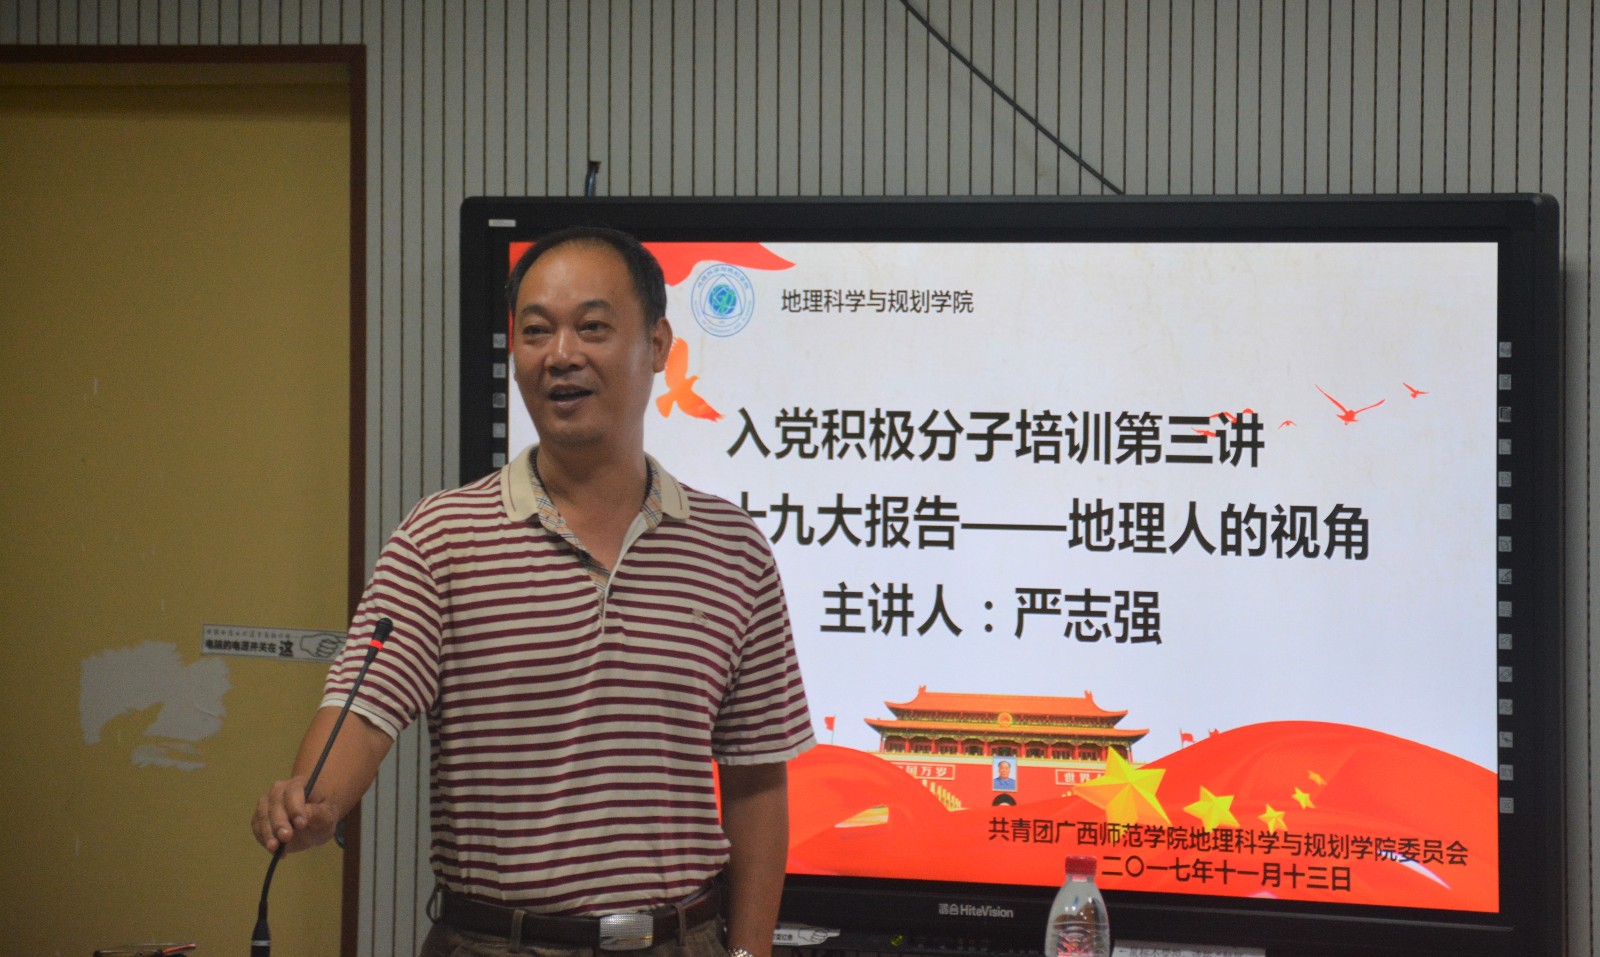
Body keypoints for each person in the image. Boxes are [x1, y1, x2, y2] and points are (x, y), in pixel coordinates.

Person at [252, 226, 815, 957]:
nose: (561, 355)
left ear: (658, 345)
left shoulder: (731, 549)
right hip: (496, 941)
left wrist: (748, 953)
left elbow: (757, 782)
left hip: (683, 939)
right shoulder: (442, 537)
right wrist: (313, 801)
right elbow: (363, 710)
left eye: (593, 327)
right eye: (536, 331)